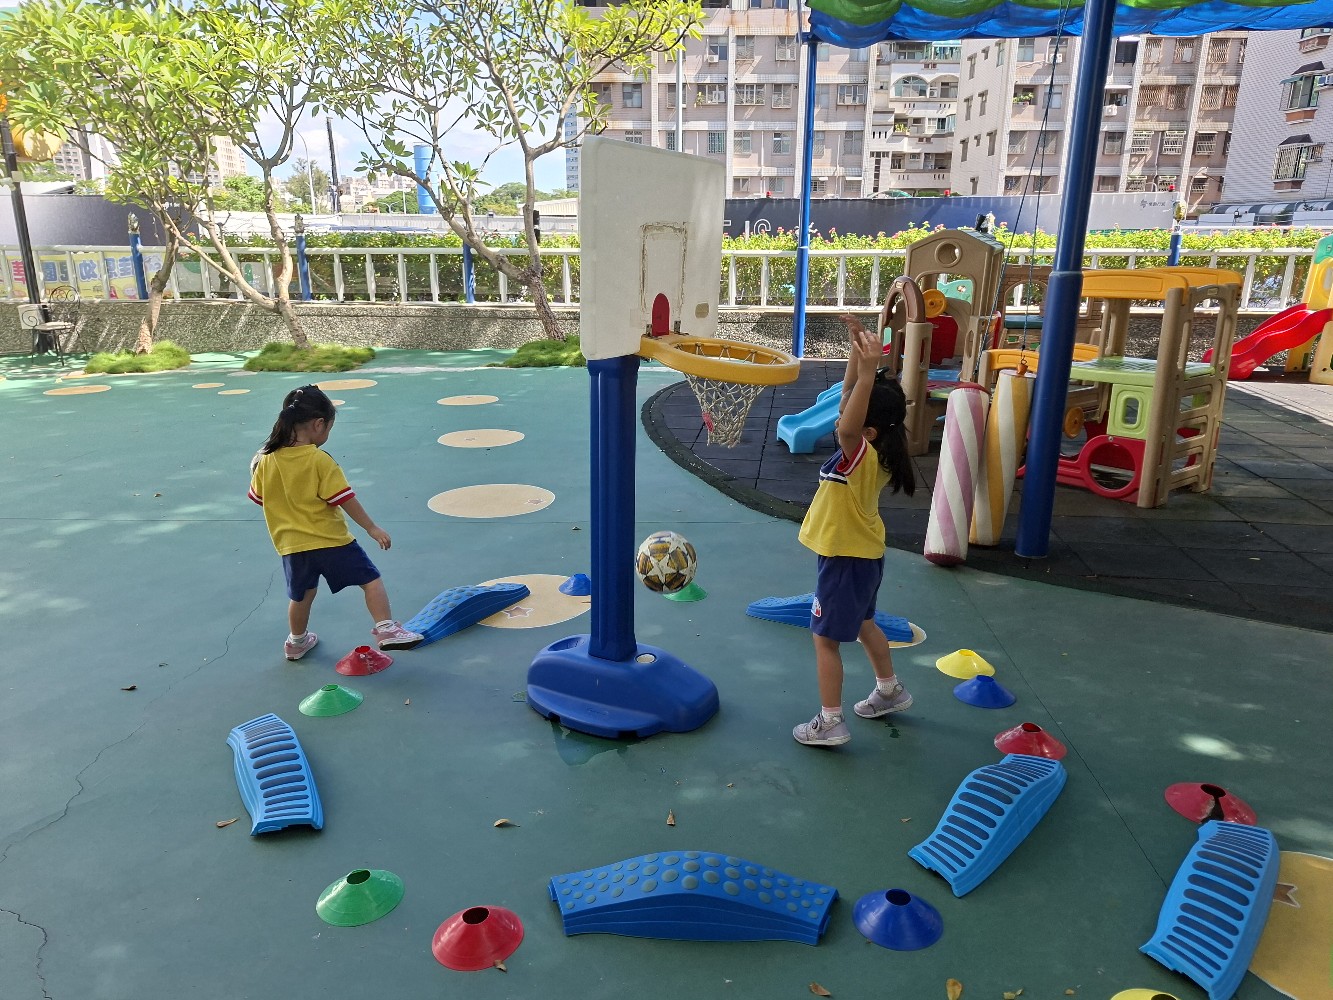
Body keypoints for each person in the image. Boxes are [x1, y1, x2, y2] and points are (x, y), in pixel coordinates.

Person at [792, 316, 916, 747]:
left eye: (850, 411)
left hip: (846, 559)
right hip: (863, 555)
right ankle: (889, 691)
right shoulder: (875, 451)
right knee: (865, 624)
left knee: (824, 640)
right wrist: (855, 353)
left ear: (868, 431)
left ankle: (830, 721)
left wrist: (866, 375)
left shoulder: (859, 454)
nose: (841, 412)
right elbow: (848, 401)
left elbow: (848, 423)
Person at [248, 384, 422, 660]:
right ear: (318, 424)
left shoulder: (266, 460)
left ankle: (296, 642)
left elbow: (259, 498)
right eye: (329, 428)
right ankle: (386, 629)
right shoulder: (318, 459)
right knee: (371, 580)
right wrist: (371, 528)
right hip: (331, 540)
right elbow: (344, 498)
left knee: (301, 595)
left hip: (291, 546)